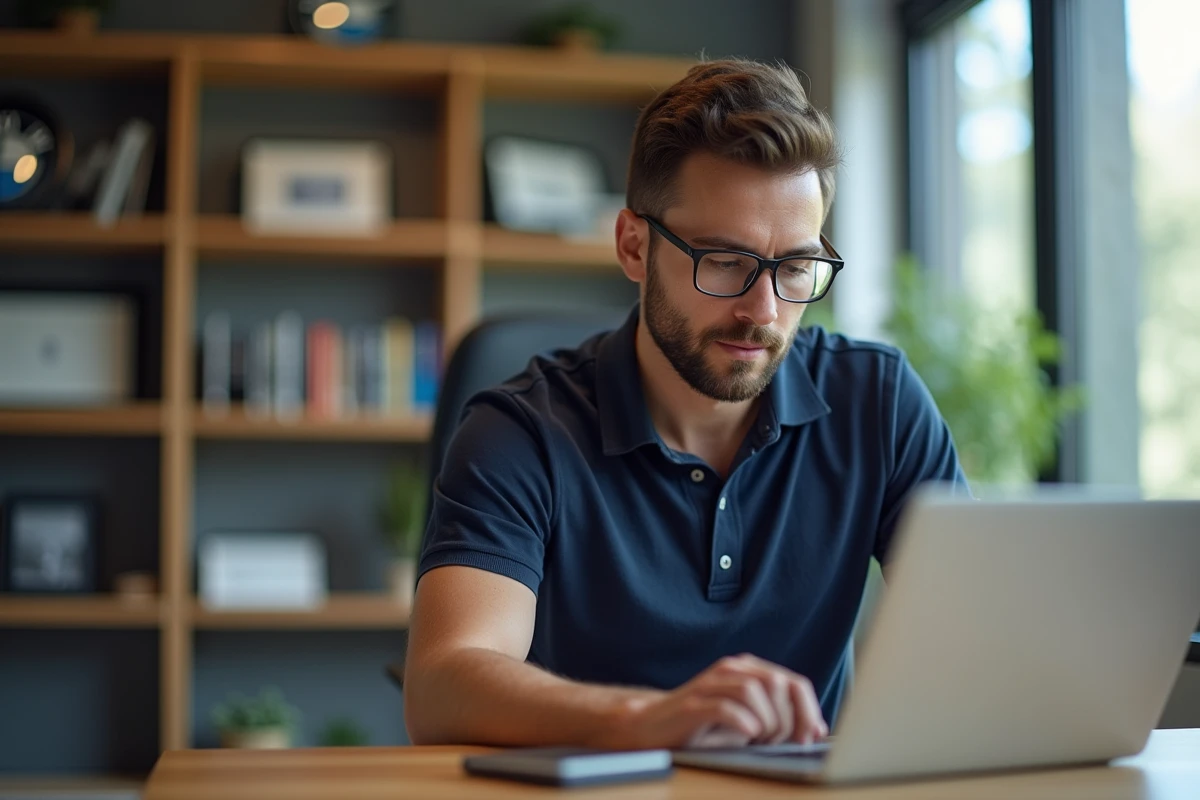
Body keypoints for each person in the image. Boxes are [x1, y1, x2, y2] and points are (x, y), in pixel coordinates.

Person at [403, 58, 967, 750]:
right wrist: (648, 722)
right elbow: (442, 682)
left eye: (793, 267)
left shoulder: (878, 402)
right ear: (634, 246)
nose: (762, 312)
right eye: (724, 262)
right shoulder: (520, 431)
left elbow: (976, 639)